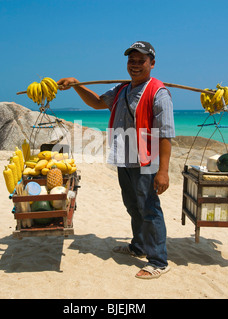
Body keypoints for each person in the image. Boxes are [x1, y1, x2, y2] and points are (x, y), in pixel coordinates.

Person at [57, 41, 175, 279]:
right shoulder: (121, 90)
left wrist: (163, 171)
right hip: (124, 159)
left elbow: (165, 134)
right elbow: (97, 102)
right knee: (133, 207)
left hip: (146, 161)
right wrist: (77, 85)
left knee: (150, 210)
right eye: (131, 60)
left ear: (152, 63)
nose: (135, 65)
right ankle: (139, 246)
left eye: (141, 61)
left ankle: (159, 261)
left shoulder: (158, 93)